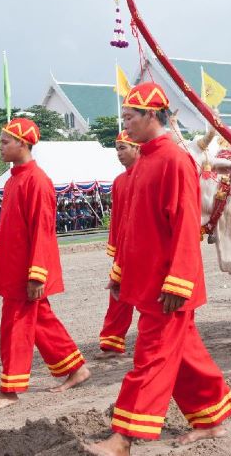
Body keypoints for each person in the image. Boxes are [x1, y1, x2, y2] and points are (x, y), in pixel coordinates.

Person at [87, 83, 231, 456]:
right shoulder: (145, 162)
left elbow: (186, 225)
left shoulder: (173, 159)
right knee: (184, 354)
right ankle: (211, 419)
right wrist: (120, 272)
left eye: (128, 117)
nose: (124, 125)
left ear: (151, 115)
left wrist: (179, 282)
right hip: (149, 280)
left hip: (168, 285)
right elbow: (132, 229)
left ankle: (123, 437)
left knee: (151, 358)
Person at [0, 118, 90, 411]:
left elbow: (43, 230)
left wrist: (37, 274)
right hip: (14, 267)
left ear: (23, 144)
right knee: (42, 322)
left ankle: (10, 389)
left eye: (5, 142)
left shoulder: (37, 181)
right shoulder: (14, 178)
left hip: (27, 270)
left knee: (15, 325)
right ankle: (76, 368)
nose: (0, 147)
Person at [97, 131, 140, 359]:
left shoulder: (145, 176)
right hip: (123, 248)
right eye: (117, 149)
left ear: (137, 148)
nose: (119, 153)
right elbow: (117, 218)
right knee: (117, 295)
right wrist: (115, 246)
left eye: (123, 148)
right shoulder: (119, 181)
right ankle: (112, 343)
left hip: (142, 247)